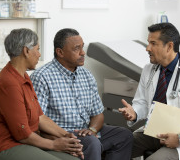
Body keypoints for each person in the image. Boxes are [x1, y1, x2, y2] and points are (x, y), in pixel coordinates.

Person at [30, 28, 133, 160]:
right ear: (60, 52)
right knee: (92, 142)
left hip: (86, 132)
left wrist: (93, 130)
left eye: (82, 47)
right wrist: (67, 136)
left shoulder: (87, 75)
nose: (82, 52)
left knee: (124, 135)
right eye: (76, 49)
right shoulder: (42, 77)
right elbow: (38, 119)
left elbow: (98, 114)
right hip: (61, 134)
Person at [119, 23, 180, 160]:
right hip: (154, 132)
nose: (147, 48)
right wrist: (135, 113)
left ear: (169, 46)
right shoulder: (148, 70)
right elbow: (142, 102)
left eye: (153, 43)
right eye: (148, 43)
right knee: (117, 147)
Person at [0, 28, 84, 160]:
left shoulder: (23, 76)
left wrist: (68, 138)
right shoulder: (9, 83)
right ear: (26, 51)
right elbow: (23, 135)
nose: (39, 54)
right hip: (6, 145)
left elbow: (40, 117)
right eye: (37, 49)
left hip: (26, 141)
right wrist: (54, 144)